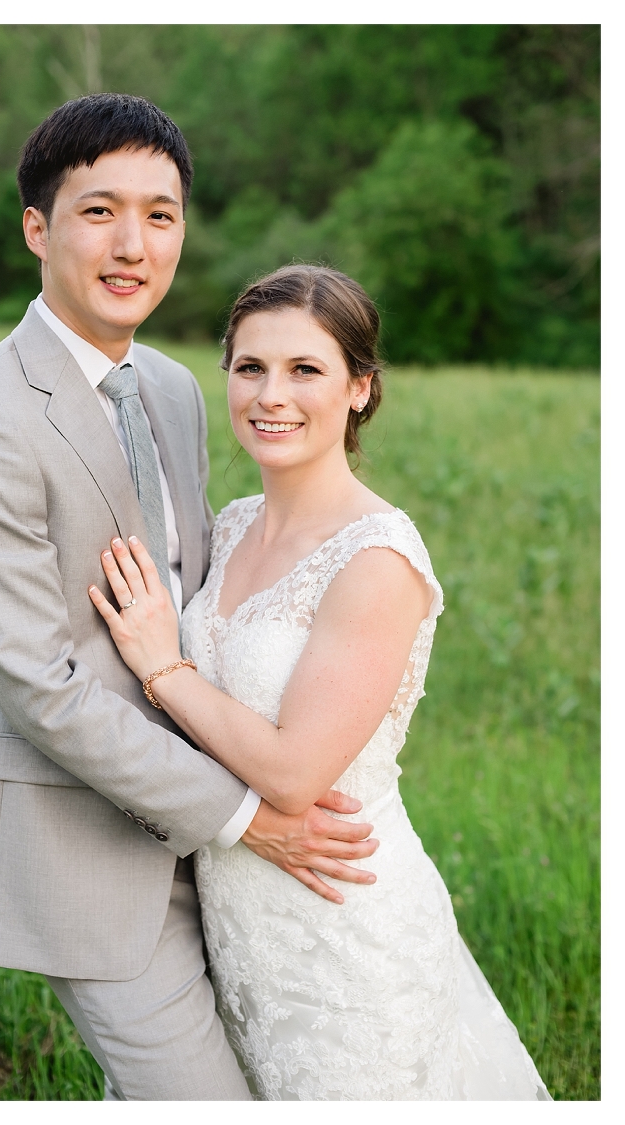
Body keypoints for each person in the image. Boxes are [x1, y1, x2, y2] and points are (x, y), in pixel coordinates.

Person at [0, 95, 381, 1102]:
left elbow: (196, 594)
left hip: (235, 850)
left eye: (160, 215)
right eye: (99, 212)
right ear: (38, 228)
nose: (134, 245)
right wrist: (248, 814)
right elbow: (41, 688)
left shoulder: (169, 387)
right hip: (94, 859)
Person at [89, 264, 553, 1101]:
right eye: (250, 367)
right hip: (234, 919)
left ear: (361, 389)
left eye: (306, 369)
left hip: (345, 928)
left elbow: (297, 773)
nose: (273, 394)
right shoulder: (226, 527)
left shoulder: (375, 558)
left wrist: (164, 666)